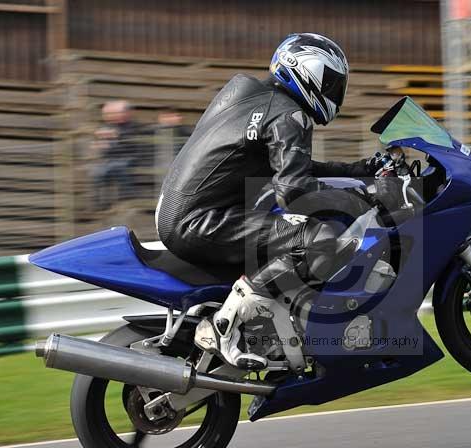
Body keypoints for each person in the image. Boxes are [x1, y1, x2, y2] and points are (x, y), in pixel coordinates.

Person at [156, 33, 388, 370]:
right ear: (308, 71)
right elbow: (294, 193)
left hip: (186, 214)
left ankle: (271, 329)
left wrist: (361, 172)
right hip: (202, 221)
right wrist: (357, 196)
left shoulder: (255, 99)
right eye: (332, 82)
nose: (336, 93)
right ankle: (228, 325)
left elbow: (294, 169)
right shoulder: (287, 116)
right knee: (319, 238)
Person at [90, 100, 148, 209]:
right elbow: (100, 147)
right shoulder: (106, 127)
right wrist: (99, 144)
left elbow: (132, 144)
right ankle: (100, 202)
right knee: (97, 171)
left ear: (126, 113)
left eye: (115, 113)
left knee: (118, 166)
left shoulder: (134, 126)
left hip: (130, 157)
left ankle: (128, 197)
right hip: (111, 159)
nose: (112, 117)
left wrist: (117, 137)